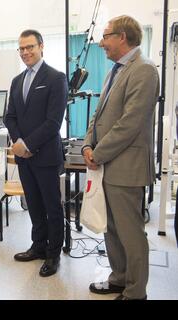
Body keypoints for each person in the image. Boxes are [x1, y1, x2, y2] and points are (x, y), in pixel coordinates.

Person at [82, 16, 159, 300]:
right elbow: (98, 114)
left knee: (131, 234)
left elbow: (130, 123)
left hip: (127, 168)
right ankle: (119, 278)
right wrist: (88, 145)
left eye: (106, 36)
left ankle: (136, 292)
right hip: (107, 165)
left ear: (123, 37)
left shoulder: (145, 70)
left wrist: (98, 154)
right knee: (111, 229)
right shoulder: (115, 70)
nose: (102, 42)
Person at [4, 29, 68, 277]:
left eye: (29, 47)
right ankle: (38, 246)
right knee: (33, 205)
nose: (25, 52)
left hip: (45, 155)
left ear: (41, 46)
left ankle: (53, 254)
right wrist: (18, 142)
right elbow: (10, 116)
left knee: (52, 207)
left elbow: (53, 122)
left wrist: (28, 144)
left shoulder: (56, 78)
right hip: (24, 156)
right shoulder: (17, 80)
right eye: (21, 48)